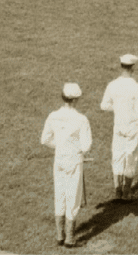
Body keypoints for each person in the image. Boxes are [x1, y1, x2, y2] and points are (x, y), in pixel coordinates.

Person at [40, 83, 93, 248]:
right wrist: (74, 149)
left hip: (60, 158)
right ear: (76, 99)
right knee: (73, 197)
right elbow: (86, 146)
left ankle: (59, 235)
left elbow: (45, 140)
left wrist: (61, 146)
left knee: (60, 194)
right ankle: (70, 238)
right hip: (74, 160)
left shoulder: (53, 116)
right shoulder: (81, 119)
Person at [100, 54, 138, 201]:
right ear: (132, 67)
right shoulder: (136, 87)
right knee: (131, 159)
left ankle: (118, 191)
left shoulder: (113, 85)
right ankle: (126, 193)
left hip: (119, 126)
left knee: (117, 156)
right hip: (132, 127)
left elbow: (104, 105)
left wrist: (118, 107)